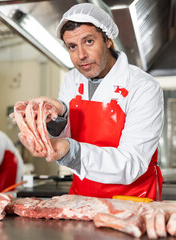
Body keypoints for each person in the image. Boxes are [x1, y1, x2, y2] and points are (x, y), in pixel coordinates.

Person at [18, 3, 164, 200]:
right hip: (83, 198)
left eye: (88, 41)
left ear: (108, 39)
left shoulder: (143, 87)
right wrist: (57, 117)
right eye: (72, 46)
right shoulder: (71, 80)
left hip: (132, 201)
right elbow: (70, 136)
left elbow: (132, 163)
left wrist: (72, 151)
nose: (81, 56)